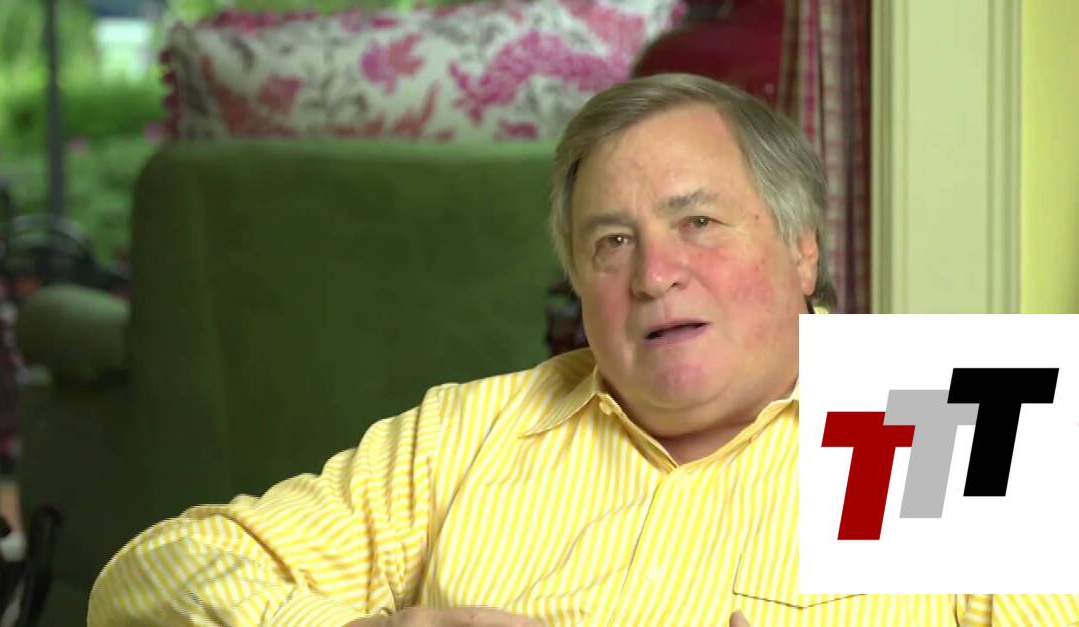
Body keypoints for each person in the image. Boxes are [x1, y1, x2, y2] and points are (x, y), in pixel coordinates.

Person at [87, 74, 1078, 626]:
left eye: (697, 223)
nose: (654, 274)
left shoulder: (945, 410)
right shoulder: (468, 433)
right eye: (611, 242)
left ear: (799, 247)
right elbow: (151, 576)